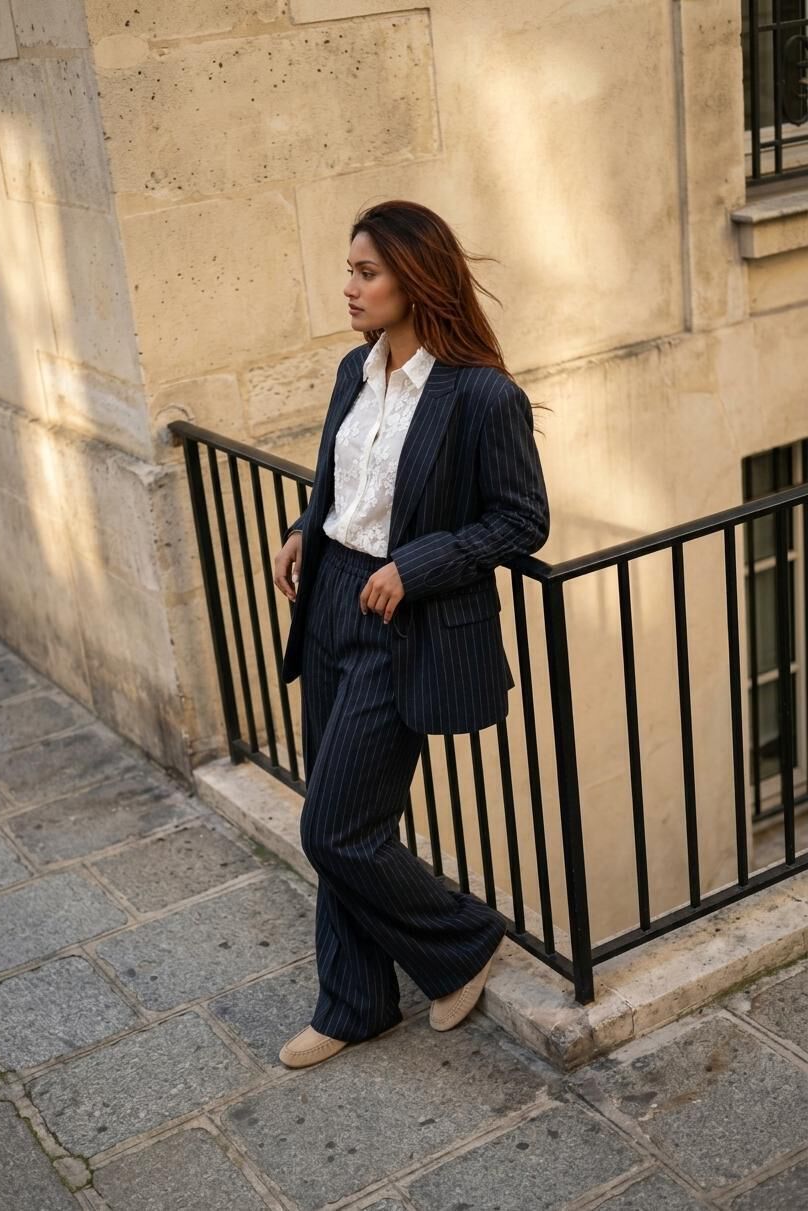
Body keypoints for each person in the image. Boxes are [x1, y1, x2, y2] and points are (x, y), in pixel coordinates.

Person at [272, 200, 550, 1068]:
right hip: (330, 601)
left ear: (415, 279)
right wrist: (304, 527)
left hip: (404, 622)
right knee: (339, 809)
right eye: (350, 270)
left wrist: (417, 565)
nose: (349, 288)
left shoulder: (481, 395)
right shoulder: (354, 371)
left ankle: (463, 941)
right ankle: (354, 1001)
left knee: (335, 828)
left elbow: (522, 520)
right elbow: (349, 484)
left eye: (367, 272)